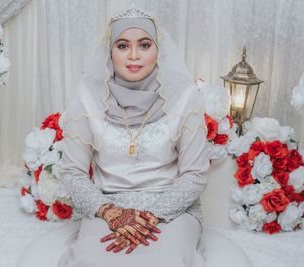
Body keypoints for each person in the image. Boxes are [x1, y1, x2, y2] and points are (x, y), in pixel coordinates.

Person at [55, 5, 209, 267]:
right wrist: (110, 213)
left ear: (158, 49)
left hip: (172, 209)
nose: (134, 56)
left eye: (145, 45)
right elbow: (73, 173)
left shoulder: (184, 96)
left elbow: (195, 175)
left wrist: (150, 216)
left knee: (166, 260)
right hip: (106, 207)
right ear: (110, 50)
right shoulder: (88, 95)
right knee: (94, 260)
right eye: (123, 46)